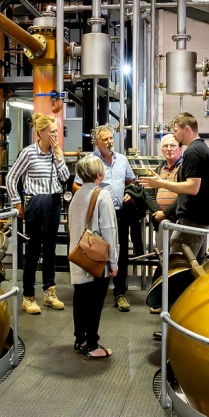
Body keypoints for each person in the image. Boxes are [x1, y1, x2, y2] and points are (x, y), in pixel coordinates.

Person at [5, 113, 70, 315]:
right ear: (40, 133)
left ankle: (49, 292)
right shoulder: (29, 153)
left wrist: (59, 156)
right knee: (33, 251)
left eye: (56, 131)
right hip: (36, 202)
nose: (55, 135)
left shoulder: (55, 153)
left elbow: (65, 177)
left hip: (54, 201)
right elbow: (11, 178)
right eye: (52, 132)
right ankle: (28, 296)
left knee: (50, 249)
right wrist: (17, 202)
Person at [138, 112, 209, 263]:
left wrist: (161, 183)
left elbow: (192, 187)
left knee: (178, 267)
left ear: (187, 129)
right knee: (194, 267)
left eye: (175, 130)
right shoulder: (203, 148)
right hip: (201, 220)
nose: (174, 135)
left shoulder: (192, 152)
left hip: (192, 220)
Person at [73, 125, 135, 312]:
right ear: (96, 142)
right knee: (95, 250)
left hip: (119, 213)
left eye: (111, 138)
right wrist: (94, 197)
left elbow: (130, 182)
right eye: (105, 139)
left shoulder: (122, 160)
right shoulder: (90, 162)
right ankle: (93, 286)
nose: (109, 142)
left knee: (120, 252)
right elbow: (76, 186)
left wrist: (130, 193)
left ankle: (120, 293)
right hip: (97, 214)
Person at [68, 155, 119, 359]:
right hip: (96, 259)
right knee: (95, 303)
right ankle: (92, 345)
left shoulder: (77, 195)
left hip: (78, 256)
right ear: (100, 174)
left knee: (80, 299)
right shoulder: (102, 195)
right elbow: (109, 230)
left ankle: (80, 339)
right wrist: (113, 262)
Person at [143, 133, 183, 313]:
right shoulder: (159, 169)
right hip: (162, 223)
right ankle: (159, 300)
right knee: (162, 260)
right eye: (165, 146)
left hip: (178, 221)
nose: (169, 149)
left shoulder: (183, 168)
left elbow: (184, 195)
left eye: (172, 145)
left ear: (180, 148)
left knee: (177, 261)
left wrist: (166, 213)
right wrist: (157, 213)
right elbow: (148, 193)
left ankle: (175, 302)